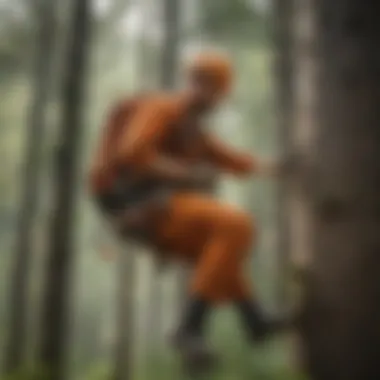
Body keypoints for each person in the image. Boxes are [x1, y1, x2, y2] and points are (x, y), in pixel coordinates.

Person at [89, 52, 291, 372]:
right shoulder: (163, 108)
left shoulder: (196, 134)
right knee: (237, 225)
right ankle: (189, 329)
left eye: (214, 87)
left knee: (224, 250)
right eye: (201, 83)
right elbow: (133, 151)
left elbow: (236, 161)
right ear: (193, 83)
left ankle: (254, 320)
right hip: (139, 206)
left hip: (154, 214)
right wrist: (187, 174)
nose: (208, 93)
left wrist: (280, 168)